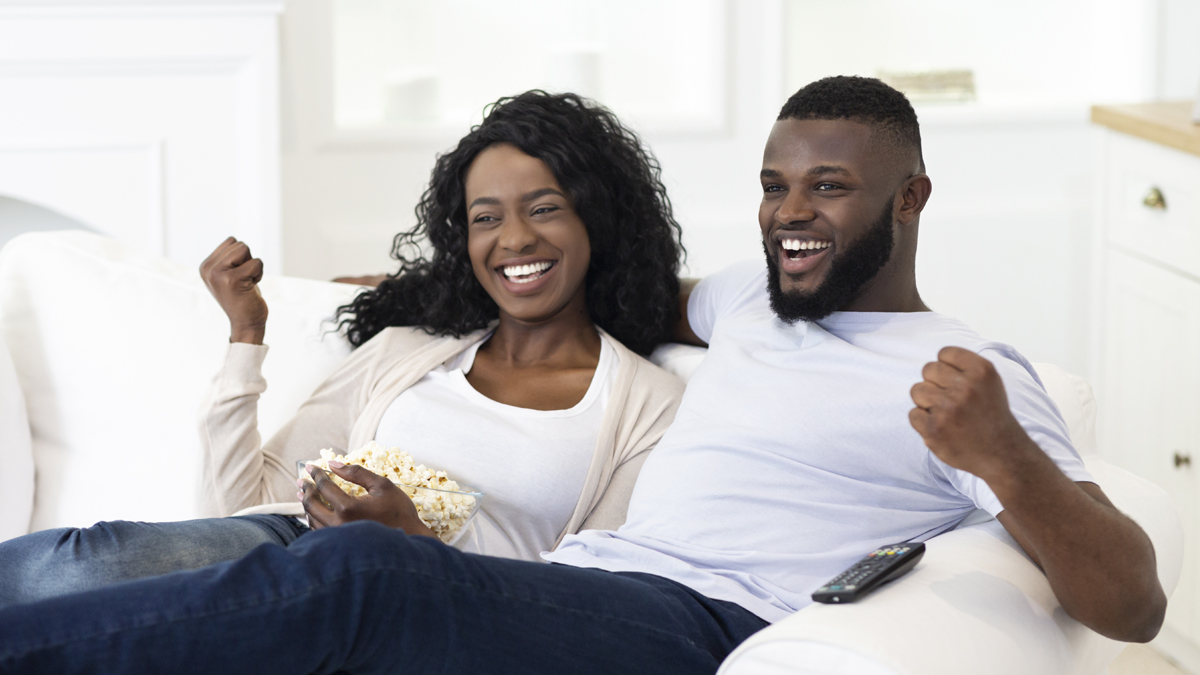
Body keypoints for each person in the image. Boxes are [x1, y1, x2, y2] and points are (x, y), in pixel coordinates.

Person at [0, 76, 1166, 675]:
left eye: (829, 189)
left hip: (704, 625)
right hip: (596, 584)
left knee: (362, 574)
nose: (790, 215)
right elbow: (575, 275)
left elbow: (1134, 604)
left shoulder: (968, 371)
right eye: (774, 185)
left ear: (909, 199)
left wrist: (1004, 456)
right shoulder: (750, 295)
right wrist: (348, 288)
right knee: (122, 554)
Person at [0, 91, 686, 604]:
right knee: (85, 562)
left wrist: (415, 541)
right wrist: (246, 336)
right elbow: (241, 500)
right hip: (287, 547)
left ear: (596, 217)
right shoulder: (407, 352)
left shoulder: (645, 405)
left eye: (543, 208)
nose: (512, 240)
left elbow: (598, 598)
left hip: (420, 600)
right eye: (486, 218)